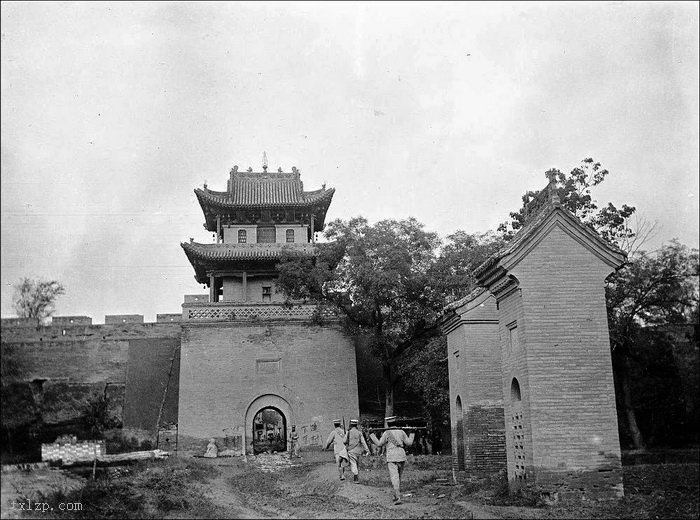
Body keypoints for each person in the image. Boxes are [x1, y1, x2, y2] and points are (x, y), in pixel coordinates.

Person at [369, 416, 415, 505]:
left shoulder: (387, 433)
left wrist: (371, 434)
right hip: (401, 455)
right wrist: (412, 432)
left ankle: (398, 497)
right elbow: (409, 443)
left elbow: (379, 444)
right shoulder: (401, 432)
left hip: (392, 456)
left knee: (394, 477)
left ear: (388, 423)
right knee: (398, 477)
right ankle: (396, 495)